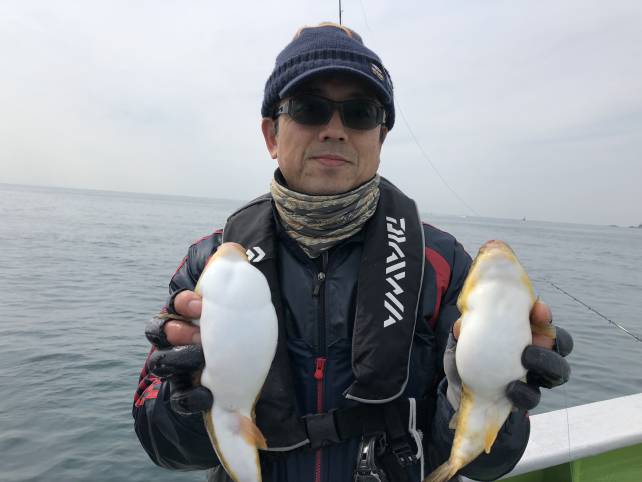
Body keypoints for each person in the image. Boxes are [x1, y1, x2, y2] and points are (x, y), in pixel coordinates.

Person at [133, 23, 572, 482]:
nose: (335, 131)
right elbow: (163, 445)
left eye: (360, 113)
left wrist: (497, 399)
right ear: (271, 136)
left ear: (380, 138)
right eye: (309, 108)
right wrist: (184, 400)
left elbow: (487, 464)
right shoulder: (208, 264)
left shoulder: (443, 266)